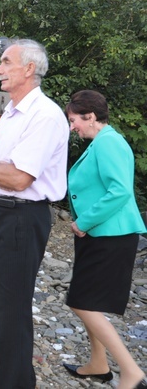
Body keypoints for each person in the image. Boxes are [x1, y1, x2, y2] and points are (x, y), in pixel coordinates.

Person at [0, 39, 69, 389]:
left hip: (21, 218)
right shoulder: (13, 112)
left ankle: (13, 384)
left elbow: (17, 177)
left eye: (7, 62)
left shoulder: (44, 115)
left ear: (29, 68)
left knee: (11, 307)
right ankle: (10, 377)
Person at [63, 90, 147, 389]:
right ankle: (99, 364)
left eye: (74, 120)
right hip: (100, 233)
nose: (72, 127)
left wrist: (83, 221)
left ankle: (131, 370)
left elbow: (120, 190)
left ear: (91, 116)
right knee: (86, 299)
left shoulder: (109, 143)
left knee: (82, 303)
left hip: (110, 234)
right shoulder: (102, 141)